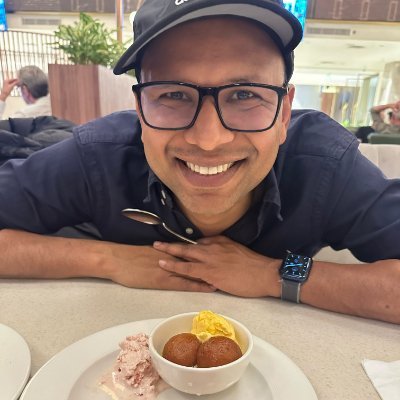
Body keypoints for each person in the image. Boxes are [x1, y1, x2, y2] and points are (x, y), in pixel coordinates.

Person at [0, 0, 399, 324]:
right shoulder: (97, 155)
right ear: (139, 110)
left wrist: (273, 274)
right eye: (173, 95)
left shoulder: (324, 164)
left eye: (245, 95)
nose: (209, 140)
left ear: (283, 114)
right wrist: (108, 258)